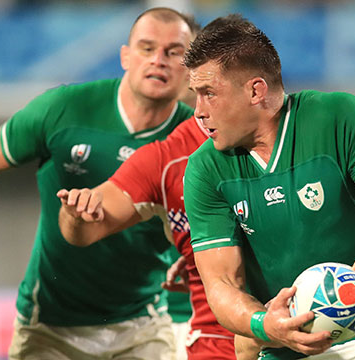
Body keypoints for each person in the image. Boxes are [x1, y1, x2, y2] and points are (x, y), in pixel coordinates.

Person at [181, 15, 355, 360]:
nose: (198, 111)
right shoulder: (205, 169)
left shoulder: (342, 117)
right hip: (285, 351)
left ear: (255, 90)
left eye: (209, 94)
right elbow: (222, 285)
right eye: (196, 95)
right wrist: (264, 325)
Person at [0, 7, 199, 359]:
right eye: (147, 48)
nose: (159, 61)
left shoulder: (197, 139)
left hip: (143, 325)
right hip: (49, 325)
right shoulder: (63, 108)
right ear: (125, 56)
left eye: (174, 52)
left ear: (191, 68)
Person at [57, 115, 236, 359]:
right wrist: (75, 215)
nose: (202, 108)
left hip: (294, 327)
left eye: (211, 91)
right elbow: (85, 230)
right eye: (198, 91)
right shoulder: (166, 157)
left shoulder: (295, 133)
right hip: (216, 341)